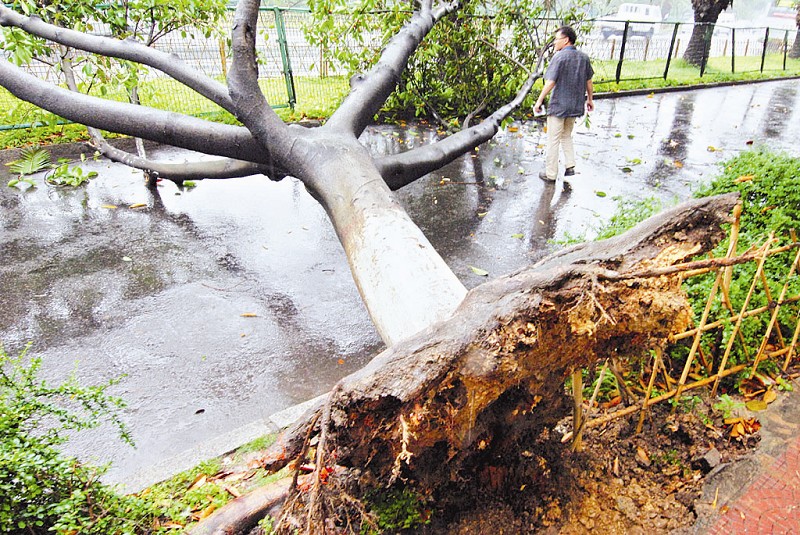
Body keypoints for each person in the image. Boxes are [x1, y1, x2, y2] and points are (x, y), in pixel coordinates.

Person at [534, 25, 594, 183]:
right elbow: (589, 81)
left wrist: (539, 100)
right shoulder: (584, 57)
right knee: (566, 135)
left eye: (557, 39)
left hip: (559, 105)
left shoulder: (559, 57)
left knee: (553, 139)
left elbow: (550, 82)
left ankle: (551, 174)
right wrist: (590, 99)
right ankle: (570, 165)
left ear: (566, 40)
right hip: (575, 106)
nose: (554, 43)